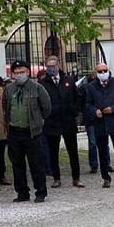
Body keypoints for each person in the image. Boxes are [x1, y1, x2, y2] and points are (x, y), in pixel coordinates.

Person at [3, 61, 52, 203]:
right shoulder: (9, 88)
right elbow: (5, 106)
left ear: (28, 72)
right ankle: (22, 192)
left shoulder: (37, 88)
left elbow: (46, 108)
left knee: (36, 163)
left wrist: (37, 120)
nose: (19, 75)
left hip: (31, 132)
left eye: (22, 72)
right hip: (14, 132)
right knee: (17, 164)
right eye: (17, 72)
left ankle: (40, 191)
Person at [39, 56, 84, 189]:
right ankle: (56, 178)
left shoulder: (68, 80)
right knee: (53, 152)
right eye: (48, 66)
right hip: (52, 122)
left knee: (73, 152)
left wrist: (74, 111)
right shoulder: (43, 83)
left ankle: (76, 178)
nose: (51, 68)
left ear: (58, 66)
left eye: (53, 66)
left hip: (68, 121)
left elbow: (78, 98)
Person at [84, 63, 114, 189]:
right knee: (102, 151)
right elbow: (87, 104)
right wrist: (95, 111)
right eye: (100, 71)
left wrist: (113, 109)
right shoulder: (91, 87)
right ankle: (106, 177)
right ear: (96, 73)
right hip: (100, 122)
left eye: (105, 70)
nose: (103, 73)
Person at [78, 68, 113, 175]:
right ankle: (94, 165)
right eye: (99, 73)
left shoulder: (105, 85)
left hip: (102, 118)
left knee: (104, 143)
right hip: (91, 118)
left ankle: (106, 163)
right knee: (93, 143)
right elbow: (84, 103)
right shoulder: (87, 87)